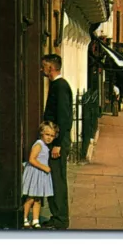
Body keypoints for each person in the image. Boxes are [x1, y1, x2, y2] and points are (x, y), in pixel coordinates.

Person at [40, 54, 73, 230]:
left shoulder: (60, 86)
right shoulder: (58, 85)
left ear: (51, 68)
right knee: (54, 180)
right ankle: (57, 216)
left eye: (43, 66)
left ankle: (60, 219)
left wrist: (58, 143)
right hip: (54, 142)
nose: (41, 69)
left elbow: (64, 116)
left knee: (57, 180)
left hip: (57, 143)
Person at [22, 121, 58, 229]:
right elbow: (31, 159)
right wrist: (45, 168)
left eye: (52, 136)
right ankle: (24, 218)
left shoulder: (46, 146)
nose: (49, 138)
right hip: (35, 173)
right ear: (42, 133)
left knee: (38, 199)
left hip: (40, 175)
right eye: (47, 135)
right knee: (31, 198)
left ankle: (35, 219)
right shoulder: (38, 144)